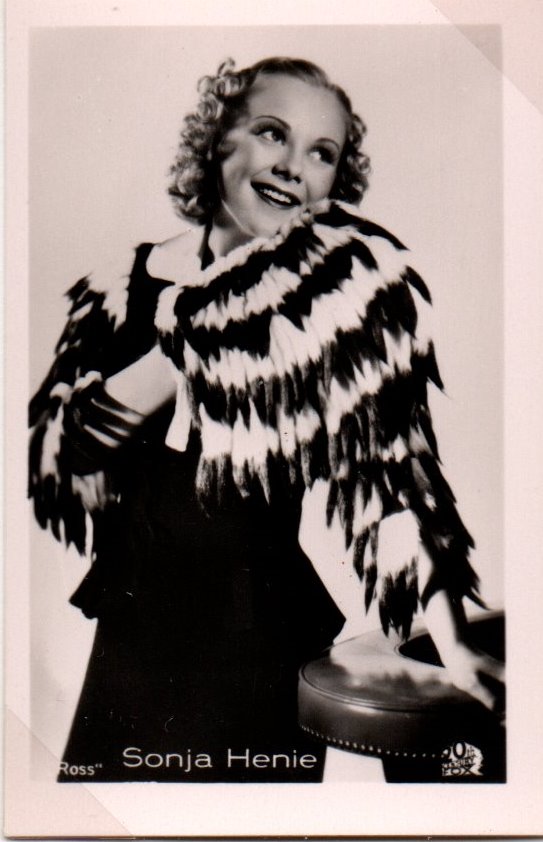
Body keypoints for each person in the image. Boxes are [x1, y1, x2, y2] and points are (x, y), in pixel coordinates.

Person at [29, 57, 504, 784]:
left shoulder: (334, 309)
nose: (292, 166)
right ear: (215, 136)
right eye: (272, 132)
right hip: (133, 627)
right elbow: (66, 457)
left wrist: (453, 642)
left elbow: (397, 493)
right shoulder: (123, 287)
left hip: (256, 642)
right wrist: (196, 334)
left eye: (322, 153)